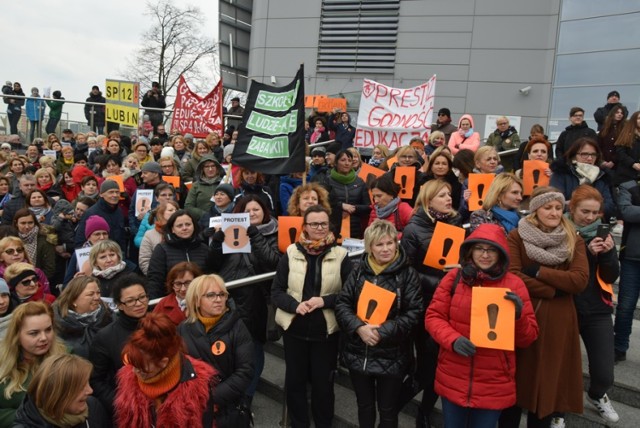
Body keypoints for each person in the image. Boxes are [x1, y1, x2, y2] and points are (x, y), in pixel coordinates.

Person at [426, 224, 538, 427]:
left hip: (494, 381)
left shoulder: (514, 284)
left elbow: (528, 338)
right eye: (479, 248)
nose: (485, 255)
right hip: (454, 374)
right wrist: (453, 339)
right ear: (470, 250)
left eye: (492, 249)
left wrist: (519, 316)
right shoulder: (454, 278)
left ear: (501, 253)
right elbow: (433, 316)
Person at [504, 187, 589, 427]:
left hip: (559, 322)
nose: (554, 213)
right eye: (547, 207)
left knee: (547, 388)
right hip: (524, 314)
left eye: (558, 207)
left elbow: (580, 279)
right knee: (517, 384)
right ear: (535, 209)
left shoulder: (573, 236)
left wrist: (540, 272)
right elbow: (513, 276)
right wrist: (553, 290)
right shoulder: (517, 235)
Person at [335, 220, 423, 428]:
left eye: (389, 243)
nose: (385, 249)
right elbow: (342, 304)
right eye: (379, 244)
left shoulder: (408, 274)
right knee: (364, 406)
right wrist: (359, 328)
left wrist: (383, 332)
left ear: (396, 243)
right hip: (359, 352)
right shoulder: (358, 272)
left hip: (391, 354)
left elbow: (414, 312)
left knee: (388, 410)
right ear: (369, 248)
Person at [271, 205, 351, 427]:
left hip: (325, 332)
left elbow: (350, 293)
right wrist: (295, 306)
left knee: (323, 386)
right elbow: (276, 291)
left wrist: (324, 301)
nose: (319, 228)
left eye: (323, 223)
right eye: (314, 223)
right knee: (295, 384)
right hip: (294, 329)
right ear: (304, 226)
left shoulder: (341, 255)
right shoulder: (291, 252)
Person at [399, 179, 463, 427]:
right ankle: (392, 407)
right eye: (442, 195)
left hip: (450, 304)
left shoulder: (456, 223)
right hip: (424, 305)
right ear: (427, 200)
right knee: (427, 363)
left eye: (449, 194)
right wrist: (437, 282)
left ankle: (424, 412)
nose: (449, 198)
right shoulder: (414, 229)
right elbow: (406, 270)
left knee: (437, 363)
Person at [210, 195, 281, 408]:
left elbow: (273, 262)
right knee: (228, 348)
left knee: (255, 349)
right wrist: (217, 242)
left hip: (258, 301)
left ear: (264, 212)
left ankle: (247, 398)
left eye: (256, 210)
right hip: (229, 300)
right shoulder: (227, 232)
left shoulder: (275, 234)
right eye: (247, 211)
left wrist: (255, 235)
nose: (252, 214)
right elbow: (212, 265)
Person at [565, 185, 620, 423]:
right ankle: (558, 411)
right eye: (584, 211)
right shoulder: (562, 230)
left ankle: (597, 394)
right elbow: (563, 272)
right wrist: (585, 253)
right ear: (572, 208)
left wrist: (607, 254)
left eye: (595, 213)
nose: (589, 217)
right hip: (567, 306)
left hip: (597, 308)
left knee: (605, 372)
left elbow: (610, 276)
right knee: (562, 367)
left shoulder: (603, 233)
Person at [114, 312, 217, 427]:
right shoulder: (129, 378)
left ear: (163, 363)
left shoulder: (197, 385)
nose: (134, 371)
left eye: (142, 368)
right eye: (133, 365)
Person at [178, 274, 255, 427]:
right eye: (211, 295)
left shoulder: (238, 327)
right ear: (196, 300)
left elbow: (245, 371)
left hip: (229, 410)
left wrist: (210, 397)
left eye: (222, 294)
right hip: (194, 410)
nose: (218, 299)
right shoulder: (182, 329)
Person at [89, 273, 148, 419]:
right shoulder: (105, 337)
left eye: (142, 297)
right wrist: (122, 404)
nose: (139, 304)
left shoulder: (160, 326)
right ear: (120, 305)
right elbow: (96, 380)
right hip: (128, 411)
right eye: (131, 301)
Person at [0, 302, 67, 426]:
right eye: (34, 333)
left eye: (48, 330)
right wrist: (27, 417)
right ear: (17, 335)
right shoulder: (2, 363)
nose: (43, 338)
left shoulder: (66, 359)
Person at [13, 353, 108, 428]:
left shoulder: (93, 406)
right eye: (81, 386)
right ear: (57, 393)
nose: (90, 391)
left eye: (88, 383)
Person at [147, 210, 211, 299]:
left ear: (194, 226)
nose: (185, 228)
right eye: (179, 226)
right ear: (172, 229)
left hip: (201, 300)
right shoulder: (161, 249)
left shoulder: (204, 248)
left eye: (188, 224)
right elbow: (155, 280)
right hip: (172, 303)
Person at [550, 137, 615, 220]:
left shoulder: (602, 177)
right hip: (565, 222)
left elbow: (609, 206)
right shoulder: (561, 174)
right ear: (573, 156)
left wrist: (588, 210)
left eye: (593, 155)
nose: (590, 158)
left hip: (594, 223)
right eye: (584, 154)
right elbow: (555, 202)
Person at [53, 276, 113, 359]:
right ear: (73, 300)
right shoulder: (57, 324)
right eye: (90, 294)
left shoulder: (110, 318)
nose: (97, 298)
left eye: (98, 293)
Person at [613, 179, 640, 363]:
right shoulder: (628, 186)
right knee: (625, 307)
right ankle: (619, 347)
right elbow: (625, 211)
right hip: (632, 256)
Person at [319, 150, 370, 239]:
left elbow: (368, 207)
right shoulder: (326, 181)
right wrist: (341, 206)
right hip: (332, 229)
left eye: (349, 160)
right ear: (336, 162)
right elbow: (323, 202)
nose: (347, 163)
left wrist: (353, 208)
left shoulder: (360, 182)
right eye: (343, 160)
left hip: (355, 230)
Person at [74, 179, 126, 250]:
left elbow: (122, 237)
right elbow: (80, 241)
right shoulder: (91, 213)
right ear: (101, 194)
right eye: (111, 192)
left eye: (117, 192)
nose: (115, 195)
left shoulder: (119, 211)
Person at [137, 200, 179, 274]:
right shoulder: (150, 234)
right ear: (161, 214)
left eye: (176, 210)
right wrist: (155, 277)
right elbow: (145, 260)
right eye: (170, 210)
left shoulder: (182, 232)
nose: (175, 212)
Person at [13, 209, 56, 281]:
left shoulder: (45, 240)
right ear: (16, 223)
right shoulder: (11, 239)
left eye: (30, 223)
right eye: (23, 223)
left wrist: (34, 281)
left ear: (35, 223)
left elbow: (49, 268)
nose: (27, 227)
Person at [185, 155, 225, 220]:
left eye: (213, 166)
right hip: (201, 223)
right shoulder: (196, 185)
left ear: (217, 167)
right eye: (206, 166)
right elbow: (188, 206)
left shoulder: (224, 183)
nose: (210, 169)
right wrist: (204, 215)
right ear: (202, 169)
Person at [423, 146, 463, 210]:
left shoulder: (457, 186)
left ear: (449, 167)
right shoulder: (423, 182)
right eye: (437, 163)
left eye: (444, 164)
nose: (440, 166)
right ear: (431, 166)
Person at [613, 110, 640, 186]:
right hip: (627, 176)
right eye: (639, 118)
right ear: (634, 120)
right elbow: (620, 153)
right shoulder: (626, 135)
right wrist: (633, 164)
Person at [597, 103, 626, 171]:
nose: (619, 114)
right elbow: (599, 145)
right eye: (617, 112)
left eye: (621, 113)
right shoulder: (604, 129)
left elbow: (624, 147)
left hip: (619, 165)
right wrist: (601, 161)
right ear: (612, 113)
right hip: (603, 164)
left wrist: (613, 161)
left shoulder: (624, 129)